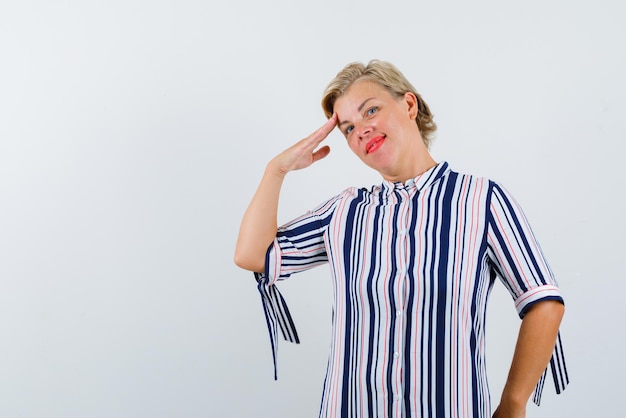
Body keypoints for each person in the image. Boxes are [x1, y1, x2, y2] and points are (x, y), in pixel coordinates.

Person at [234, 59, 568, 418]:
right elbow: (253, 254)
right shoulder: (344, 212)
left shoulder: (480, 200)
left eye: (370, 111)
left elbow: (543, 300)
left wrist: (512, 404)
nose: (360, 130)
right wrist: (277, 170)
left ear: (409, 105)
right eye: (347, 128)